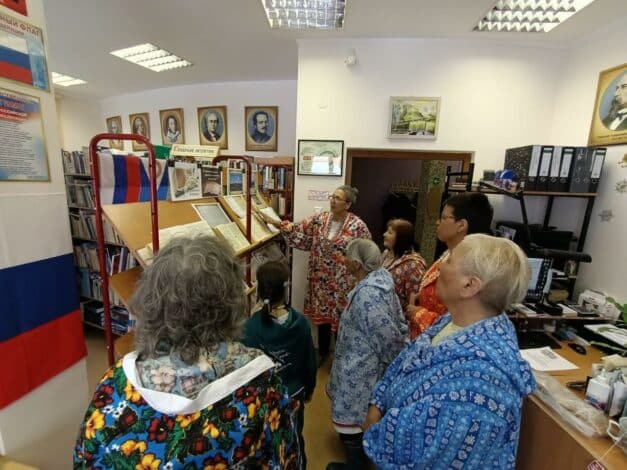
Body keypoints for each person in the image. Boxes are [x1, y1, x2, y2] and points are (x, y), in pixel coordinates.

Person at [73, 236, 300, 469]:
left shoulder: (113, 382)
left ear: (151, 299)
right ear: (231, 300)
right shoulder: (262, 384)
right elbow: (287, 460)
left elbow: (84, 457)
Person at [362, 234, 535, 469]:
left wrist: (375, 430)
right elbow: (404, 362)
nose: (441, 267)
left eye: (450, 260)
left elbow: (428, 458)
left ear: (470, 286)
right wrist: (377, 404)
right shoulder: (452, 321)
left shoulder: (478, 389)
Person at [326, 238, 409, 470]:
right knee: (355, 417)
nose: (343, 260)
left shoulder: (369, 295)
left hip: (362, 369)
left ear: (356, 264)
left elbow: (388, 338)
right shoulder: (379, 280)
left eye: (346, 256)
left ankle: (356, 466)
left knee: (355, 421)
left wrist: (394, 367)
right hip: (358, 362)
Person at [275, 185, 371, 360]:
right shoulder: (320, 219)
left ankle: (341, 358)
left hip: (343, 283)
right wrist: (279, 224)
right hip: (320, 280)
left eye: (337, 198)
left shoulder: (358, 226)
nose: (333, 201)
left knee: (342, 319)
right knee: (323, 320)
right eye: (332, 197)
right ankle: (323, 354)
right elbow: (299, 228)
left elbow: (367, 251)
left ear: (347, 204)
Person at [241, 261, 316, 469]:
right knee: (295, 434)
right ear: (286, 288)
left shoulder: (250, 328)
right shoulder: (300, 323)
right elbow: (309, 361)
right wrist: (309, 389)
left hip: (264, 398)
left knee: (266, 440)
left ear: (259, 289)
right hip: (294, 392)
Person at [406, 192, 493, 339]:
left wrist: (418, 313)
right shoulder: (449, 253)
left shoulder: (470, 269)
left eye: (443, 218)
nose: (437, 222)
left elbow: (460, 325)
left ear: (461, 225)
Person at [381, 218, 427, 312]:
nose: (384, 234)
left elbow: (414, 300)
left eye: (390, 232)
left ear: (401, 238)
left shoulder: (413, 265)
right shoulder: (386, 253)